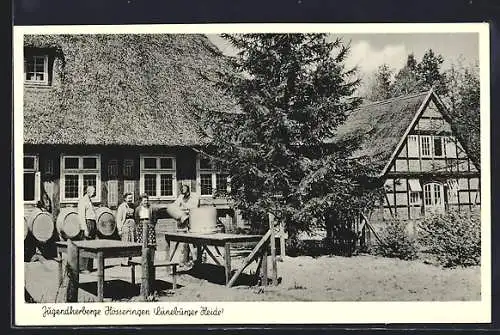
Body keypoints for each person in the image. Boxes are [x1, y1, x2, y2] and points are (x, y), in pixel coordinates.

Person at [166, 184, 200, 269]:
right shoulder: (181, 197)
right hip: (182, 222)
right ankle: (183, 261)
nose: (184, 194)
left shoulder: (194, 197)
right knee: (182, 243)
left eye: (185, 192)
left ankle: (195, 261)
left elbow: (195, 207)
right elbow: (174, 206)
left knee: (193, 243)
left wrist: (186, 209)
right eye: (183, 192)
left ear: (188, 191)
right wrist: (179, 211)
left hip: (192, 221)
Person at [77, 185, 98, 272]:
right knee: (85, 245)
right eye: (93, 191)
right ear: (88, 191)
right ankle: (83, 267)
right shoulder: (83, 201)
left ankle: (89, 266)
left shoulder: (89, 200)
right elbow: (81, 216)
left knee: (91, 245)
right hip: (87, 223)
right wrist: (85, 228)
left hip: (92, 223)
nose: (94, 193)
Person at [116, 192, 136, 266]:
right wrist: (119, 229)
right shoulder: (122, 207)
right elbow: (118, 218)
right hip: (125, 225)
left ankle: (131, 260)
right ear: (125, 198)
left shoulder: (133, 206)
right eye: (129, 198)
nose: (130, 200)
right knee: (125, 243)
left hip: (132, 226)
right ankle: (124, 261)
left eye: (131, 198)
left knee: (132, 242)